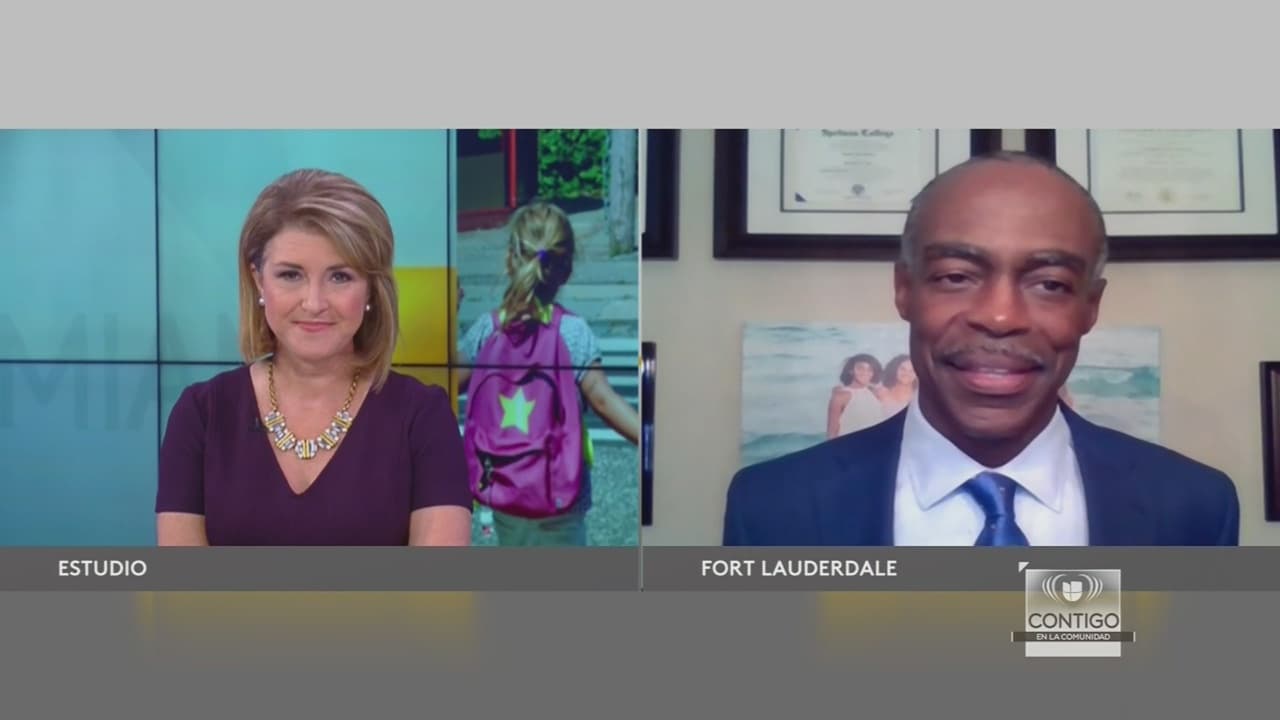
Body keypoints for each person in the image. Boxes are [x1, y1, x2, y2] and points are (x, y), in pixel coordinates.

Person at [723, 152, 1240, 547]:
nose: (1000, 317)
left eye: (1050, 284)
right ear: (904, 290)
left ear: (1090, 306)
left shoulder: (1193, 507)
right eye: (956, 276)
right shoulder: (773, 508)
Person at [156, 169, 473, 546]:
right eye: (291, 275)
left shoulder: (423, 417)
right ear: (258, 280)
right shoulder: (202, 414)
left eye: (340, 277)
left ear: (372, 288)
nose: (314, 303)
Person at [455, 200, 640, 546]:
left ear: (510, 260)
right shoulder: (572, 333)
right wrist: (652, 440)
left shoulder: (487, 330)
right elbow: (602, 400)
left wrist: (448, 314)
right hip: (560, 498)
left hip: (504, 489)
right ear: (566, 270)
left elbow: (447, 382)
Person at [826, 354, 884, 438]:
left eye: (870, 370)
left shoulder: (875, 392)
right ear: (851, 371)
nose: (865, 373)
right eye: (860, 368)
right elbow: (832, 433)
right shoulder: (841, 396)